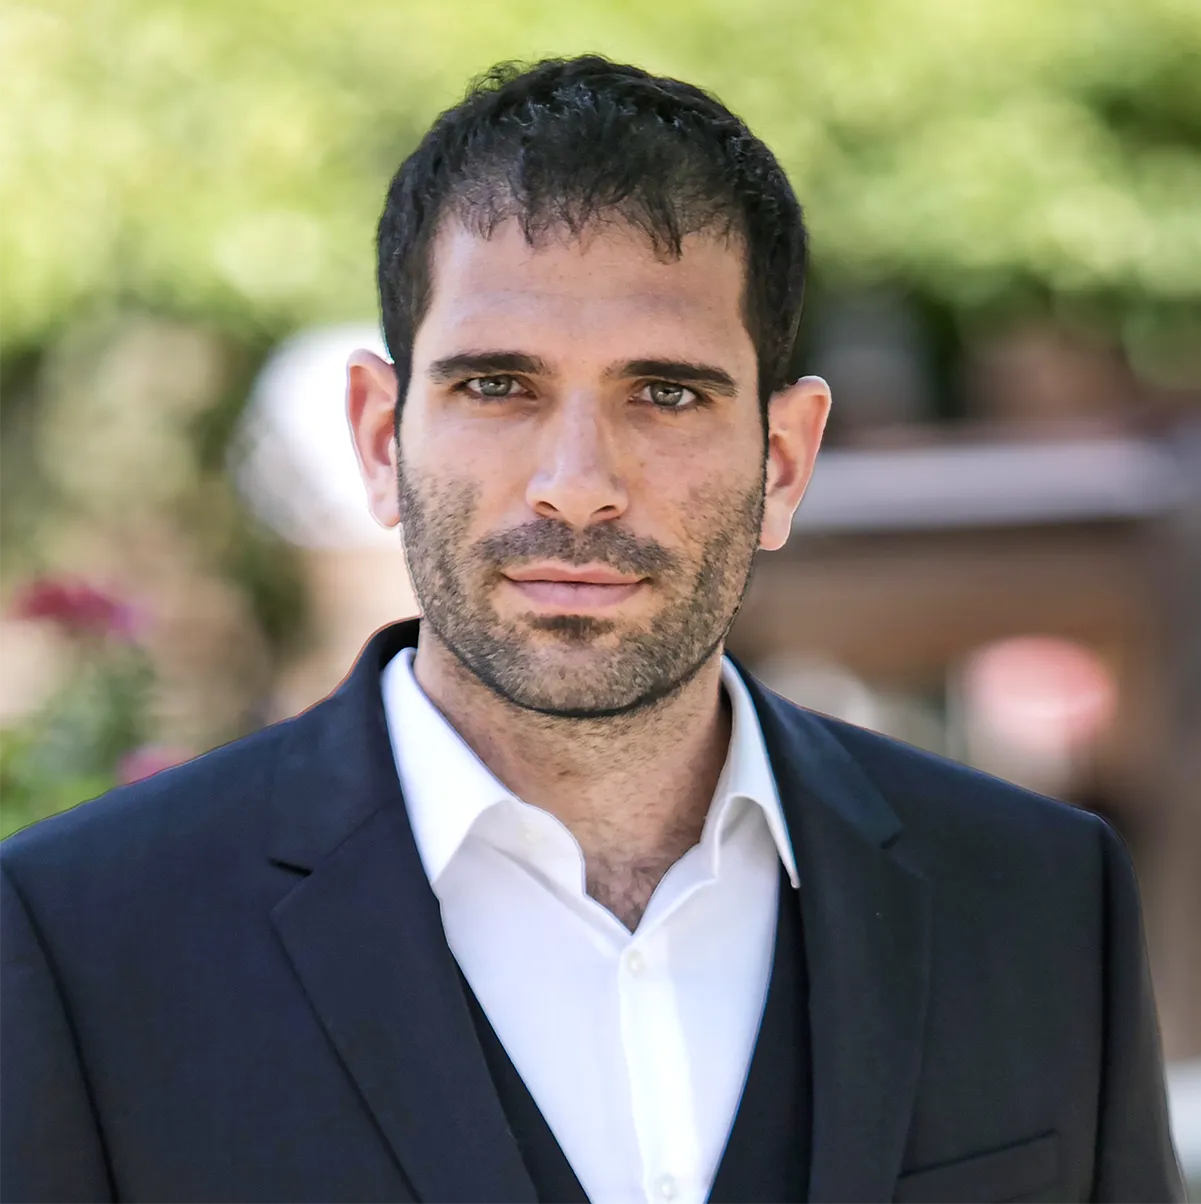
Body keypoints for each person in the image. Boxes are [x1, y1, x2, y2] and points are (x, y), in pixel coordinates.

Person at [0, 56, 1183, 1204]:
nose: (575, 485)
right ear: (379, 437)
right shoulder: (80, 939)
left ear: (782, 461)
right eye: (497, 386)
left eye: (664, 392)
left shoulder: (1040, 902)